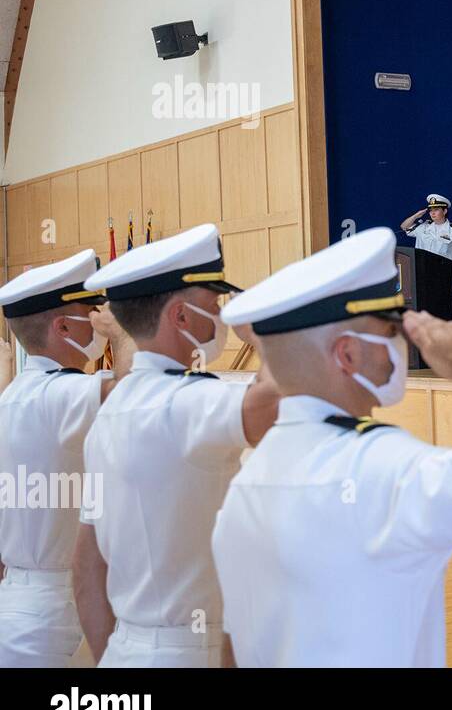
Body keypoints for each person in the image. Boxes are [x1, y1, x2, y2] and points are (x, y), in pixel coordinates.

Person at [212, 227, 452, 666]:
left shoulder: (243, 486)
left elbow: (230, 650)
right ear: (347, 355)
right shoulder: (375, 465)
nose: (401, 344)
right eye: (389, 330)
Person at [71, 223, 281, 667]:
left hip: (128, 649)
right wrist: (265, 331)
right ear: (181, 317)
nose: (222, 314)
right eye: (214, 303)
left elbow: (88, 568)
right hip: (184, 651)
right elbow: (282, 401)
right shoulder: (184, 402)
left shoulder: (111, 407)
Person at [0, 250, 133, 667]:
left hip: (25, 598)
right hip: (51, 613)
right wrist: (124, 335)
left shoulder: (17, 394)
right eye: (90, 312)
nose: (98, 318)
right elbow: (136, 398)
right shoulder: (58, 394)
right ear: (62, 326)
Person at [400, 194, 452, 319]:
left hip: (446, 279)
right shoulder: (422, 228)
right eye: (431, 210)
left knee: (448, 316)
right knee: (426, 315)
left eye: (436, 209)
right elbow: (404, 227)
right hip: (424, 278)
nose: (432, 213)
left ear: (445, 210)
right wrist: (417, 215)